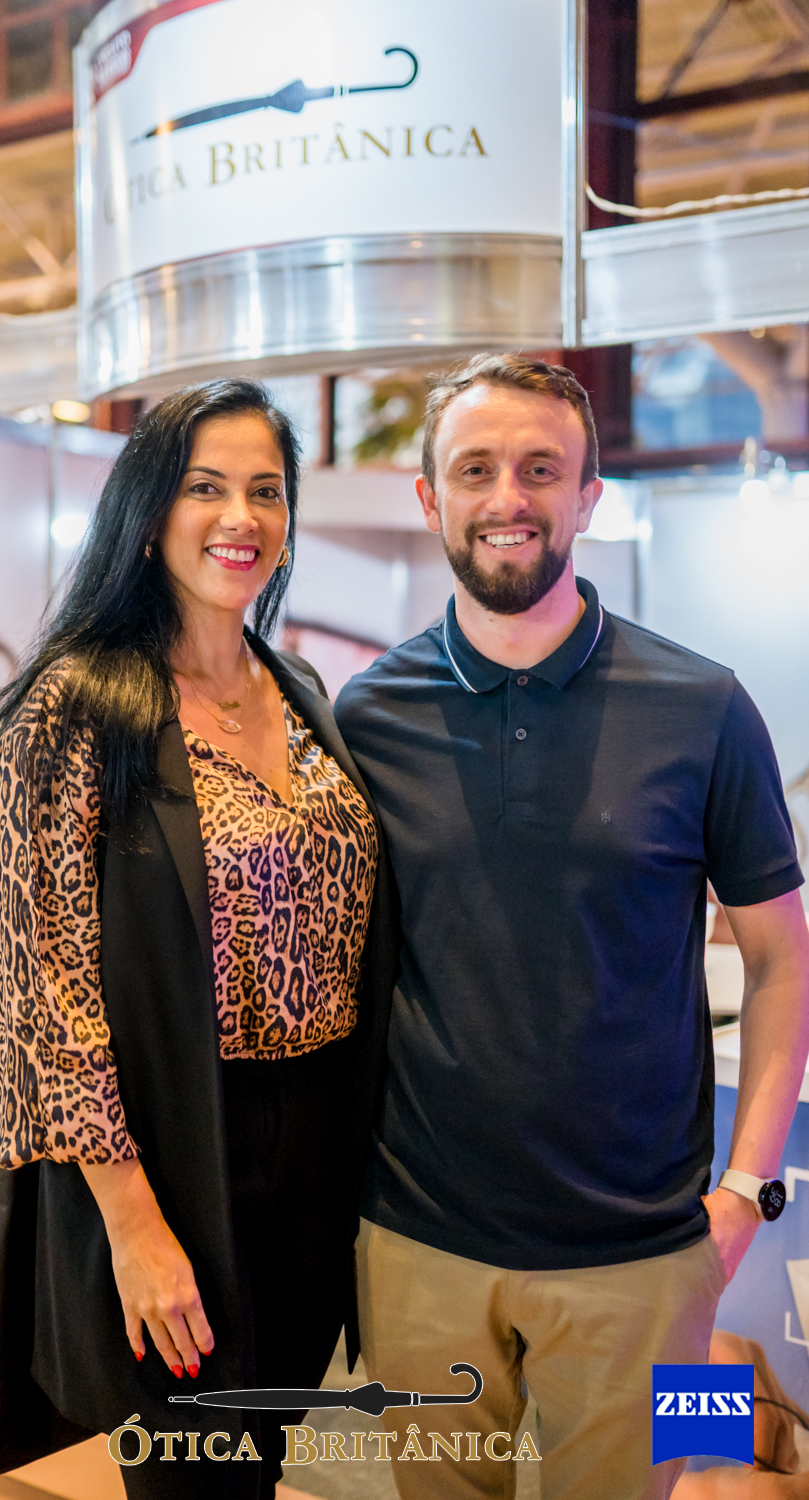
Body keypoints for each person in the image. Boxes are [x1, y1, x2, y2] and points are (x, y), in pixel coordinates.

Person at [334, 352, 809, 1500]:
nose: (509, 497)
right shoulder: (366, 716)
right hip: (414, 1245)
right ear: (430, 497)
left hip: (640, 1255)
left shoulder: (701, 706)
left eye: (541, 468)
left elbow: (782, 959)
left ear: (586, 496)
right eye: (477, 468)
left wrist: (746, 1190)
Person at [0, 379, 394, 1498]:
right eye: (205, 488)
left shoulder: (297, 687)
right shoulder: (72, 705)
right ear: (149, 511)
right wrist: (134, 1227)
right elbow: (36, 995)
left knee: (252, 1470)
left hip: (310, 1153)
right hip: (170, 1149)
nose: (239, 517)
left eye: (266, 489)